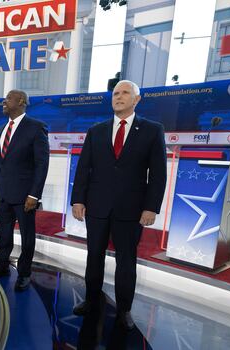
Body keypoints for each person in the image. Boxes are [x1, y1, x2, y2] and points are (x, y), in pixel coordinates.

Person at [70, 80, 167, 330]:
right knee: (94, 257)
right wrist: (78, 199)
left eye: (125, 93)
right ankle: (91, 301)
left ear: (136, 100)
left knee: (126, 261)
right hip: (97, 206)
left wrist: (151, 207)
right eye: (115, 93)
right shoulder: (96, 130)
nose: (119, 97)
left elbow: (158, 174)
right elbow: (83, 169)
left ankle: (124, 310)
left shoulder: (152, 130)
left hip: (132, 209)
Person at [0, 90, 50, 292]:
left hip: (25, 196)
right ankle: (2, 265)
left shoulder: (36, 128)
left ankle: (24, 273)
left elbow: (42, 164)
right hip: (3, 193)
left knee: (27, 236)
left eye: (9, 98)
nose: (4, 101)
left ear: (21, 101)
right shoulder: (0, 129)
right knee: (4, 233)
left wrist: (34, 195)